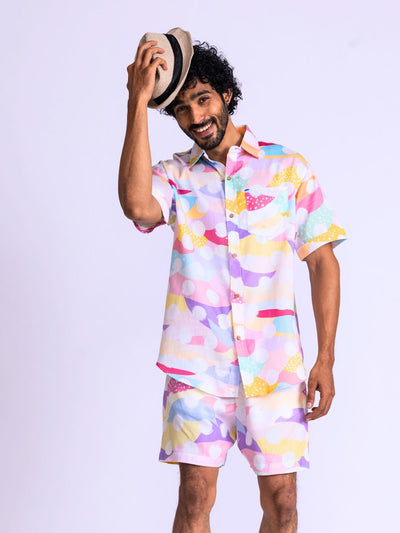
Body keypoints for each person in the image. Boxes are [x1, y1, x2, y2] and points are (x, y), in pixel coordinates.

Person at [118, 29, 346, 533]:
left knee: (283, 502)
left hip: (276, 365)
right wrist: (138, 101)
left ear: (226, 93)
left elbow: (323, 262)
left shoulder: (287, 169)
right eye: (181, 109)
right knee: (194, 496)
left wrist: (326, 358)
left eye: (203, 99)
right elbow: (136, 205)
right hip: (197, 365)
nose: (196, 117)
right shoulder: (175, 175)